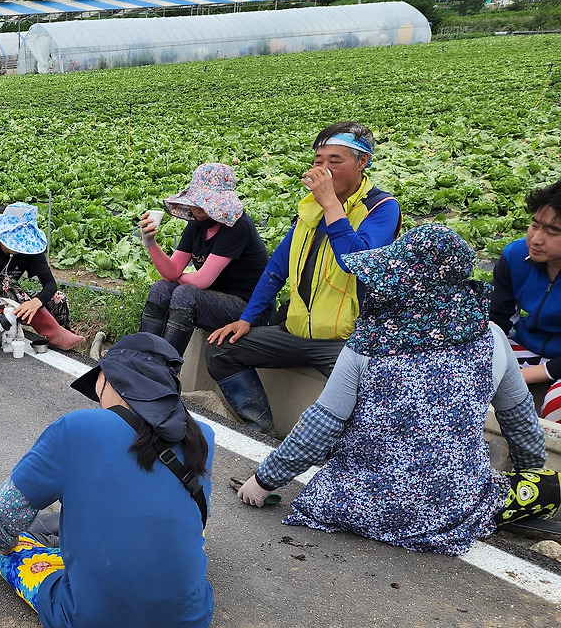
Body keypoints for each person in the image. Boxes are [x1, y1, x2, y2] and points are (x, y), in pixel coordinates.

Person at [235, 224, 558, 556]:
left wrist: (263, 481)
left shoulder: (366, 342)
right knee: (544, 487)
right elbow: (520, 423)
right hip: (451, 509)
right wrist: (531, 476)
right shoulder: (492, 338)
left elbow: (321, 427)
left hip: (356, 504)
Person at [0, 333, 214, 628]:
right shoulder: (203, 436)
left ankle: (10, 553)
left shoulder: (76, 429)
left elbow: (3, 512)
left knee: (3, 547)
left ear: (107, 379)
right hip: (190, 621)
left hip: (94, 627)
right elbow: (197, 518)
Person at [205, 122, 401, 434]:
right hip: (294, 331)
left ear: (362, 162)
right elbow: (275, 270)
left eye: (335, 161)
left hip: (344, 341)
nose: (324, 170)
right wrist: (247, 319)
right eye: (318, 161)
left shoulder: (381, 208)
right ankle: (259, 428)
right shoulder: (309, 210)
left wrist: (330, 203)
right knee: (220, 349)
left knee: (370, 394)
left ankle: (346, 455)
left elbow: (355, 261)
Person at [137, 163, 271, 354]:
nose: (197, 207)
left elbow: (202, 280)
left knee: (184, 294)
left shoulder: (237, 226)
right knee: (161, 289)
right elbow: (171, 272)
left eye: (205, 201)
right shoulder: (196, 224)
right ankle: (142, 355)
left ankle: (165, 367)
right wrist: (150, 242)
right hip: (214, 299)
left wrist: (176, 277)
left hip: (247, 310)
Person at [0, 202, 85, 351]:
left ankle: (60, 336)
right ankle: (53, 330)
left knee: (58, 298)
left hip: (9, 300)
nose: (18, 248)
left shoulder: (29, 250)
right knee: (4, 281)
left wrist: (36, 302)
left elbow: (50, 284)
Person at [489, 178, 561, 422]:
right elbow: (496, 320)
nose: (536, 239)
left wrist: (525, 376)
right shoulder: (516, 255)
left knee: (556, 409)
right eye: (535, 225)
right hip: (526, 344)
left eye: (552, 233)